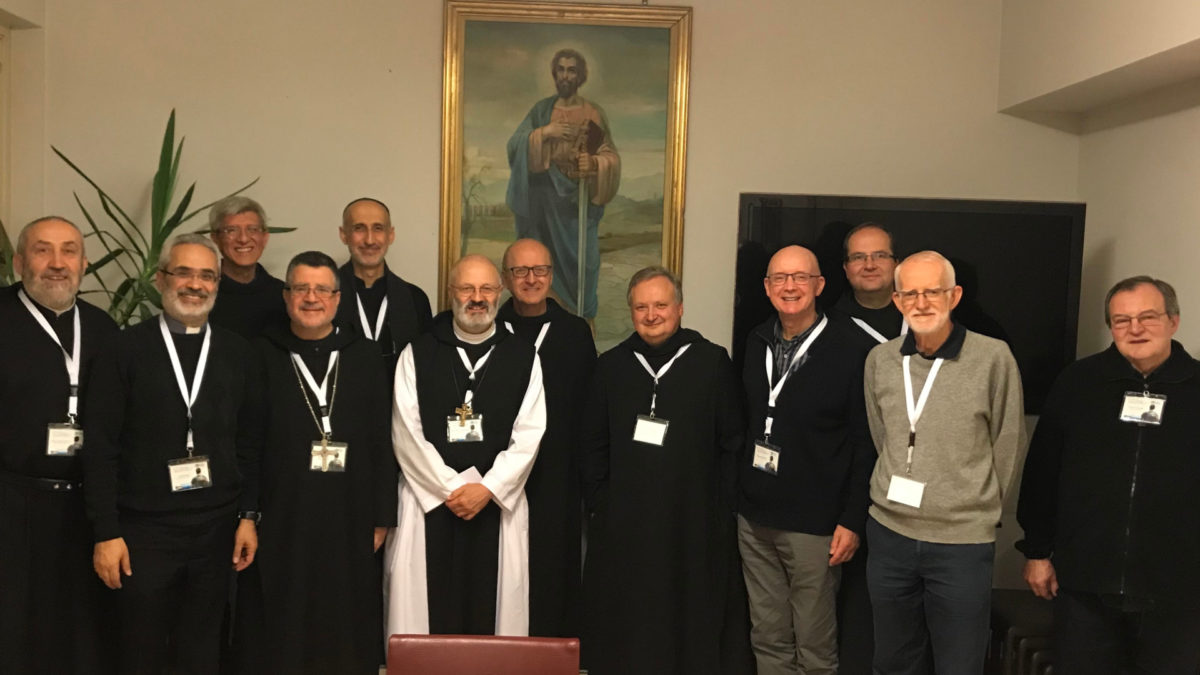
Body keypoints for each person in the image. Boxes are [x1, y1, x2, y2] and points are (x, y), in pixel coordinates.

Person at [83, 233, 263, 674]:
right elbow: (101, 447)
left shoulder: (238, 353)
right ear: (161, 279)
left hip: (216, 529)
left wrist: (248, 516)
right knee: (139, 648)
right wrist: (106, 533)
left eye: (207, 276)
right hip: (142, 531)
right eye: (183, 272)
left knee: (202, 648)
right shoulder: (124, 349)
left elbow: (250, 443)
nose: (195, 284)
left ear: (218, 284)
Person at [1017, 276, 1200, 674]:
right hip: (1085, 584)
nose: (1135, 329)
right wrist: (1036, 551)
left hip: (1178, 589)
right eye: (1122, 320)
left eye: (1147, 317)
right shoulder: (1078, 382)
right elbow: (1043, 472)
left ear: (1173, 321)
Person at [581, 266, 751, 675]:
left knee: (686, 617)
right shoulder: (611, 367)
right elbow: (592, 445)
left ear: (679, 308)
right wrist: (604, 504)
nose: (651, 315)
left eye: (660, 305)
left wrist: (720, 508)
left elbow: (732, 443)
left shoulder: (711, 363)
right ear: (631, 312)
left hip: (692, 523)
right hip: (625, 526)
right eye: (641, 307)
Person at [862, 250, 1025, 675]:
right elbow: (883, 435)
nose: (921, 303)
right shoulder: (880, 361)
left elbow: (1007, 442)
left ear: (954, 295)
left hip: (961, 543)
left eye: (932, 291)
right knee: (893, 660)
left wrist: (976, 508)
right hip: (890, 535)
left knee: (959, 663)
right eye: (910, 293)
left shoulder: (993, 358)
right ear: (897, 301)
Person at [238, 251, 395, 674]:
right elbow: (247, 443)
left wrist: (382, 517)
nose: (312, 298)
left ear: (337, 298)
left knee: (345, 618)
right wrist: (247, 515)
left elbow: (382, 440)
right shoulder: (260, 355)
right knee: (285, 619)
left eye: (322, 289)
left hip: (350, 514)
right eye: (301, 289)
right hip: (282, 515)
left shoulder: (364, 356)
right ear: (286, 295)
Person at [384, 254, 546, 636]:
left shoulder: (523, 356)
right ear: (450, 292)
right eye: (467, 288)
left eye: (487, 288)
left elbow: (530, 432)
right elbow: (405, 432)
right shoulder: (417, 353)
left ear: (500, 292)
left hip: (495, 504)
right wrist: (451, 489)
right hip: (429, 503)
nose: (477, 297)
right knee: (424, 619)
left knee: (494, 621)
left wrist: (487, 489)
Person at [737, 246, 875, 675]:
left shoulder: (852, 348)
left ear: (820, 285)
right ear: (767, 287)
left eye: (800, 277)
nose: (790, 287)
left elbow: (866, 442)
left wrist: (852, 519)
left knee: (814, 644)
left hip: (816, 524)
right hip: (755, 518)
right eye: (780, 278)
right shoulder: (756, 340)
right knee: (767, 636)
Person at [0, 216, 119, 674]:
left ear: (84, 263)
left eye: (69, 251)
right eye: (42, 250)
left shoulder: (104, 329)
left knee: (78, 636)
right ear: (18, 262)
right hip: (12, 505)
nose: (57, 263)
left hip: (83, 509)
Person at [496, 238, 597, 637]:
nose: (531, 279)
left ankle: (550, 653)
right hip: (499, 472)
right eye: (520, 271)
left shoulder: (574, 332)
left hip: (557, 474)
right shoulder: (492, 328)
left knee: (552, 568)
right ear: (505, 278)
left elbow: (589, 409)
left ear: (551, 275)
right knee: (504, 567)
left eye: (540, 270)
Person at [506, 48, 621, 319]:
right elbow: (515, 145)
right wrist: (545, 132)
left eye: (571, 70)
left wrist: (594, 164)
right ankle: (543, 322)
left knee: (584, 265)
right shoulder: (542, 111)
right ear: (554, 74)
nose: (565, 76)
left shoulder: (592, 113)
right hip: (544, 205)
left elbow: (609, 156)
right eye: (561, 69)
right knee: (541, 265)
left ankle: (581, 325)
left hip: (578, 206)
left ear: (580, 76)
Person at [336, 197, 433, 370]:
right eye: (359, 228)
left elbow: (425, 366)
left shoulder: (415, 299)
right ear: (344, 235)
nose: (370, 240)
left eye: (378, 228)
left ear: (391, 235)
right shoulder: (323, 296)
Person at [206, 196, 287, 339]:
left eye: (252, 229)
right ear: (215, 238)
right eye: (231, 230)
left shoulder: (283, 295)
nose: (243, 239)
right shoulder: (202, 293)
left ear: (265, 238)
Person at [830, 222, 905, 344]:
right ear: (846, 268)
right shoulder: (828, 327)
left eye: (880, 256)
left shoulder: (922, 313)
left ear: (896, 264)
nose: (869, 266)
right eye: (858, 257)